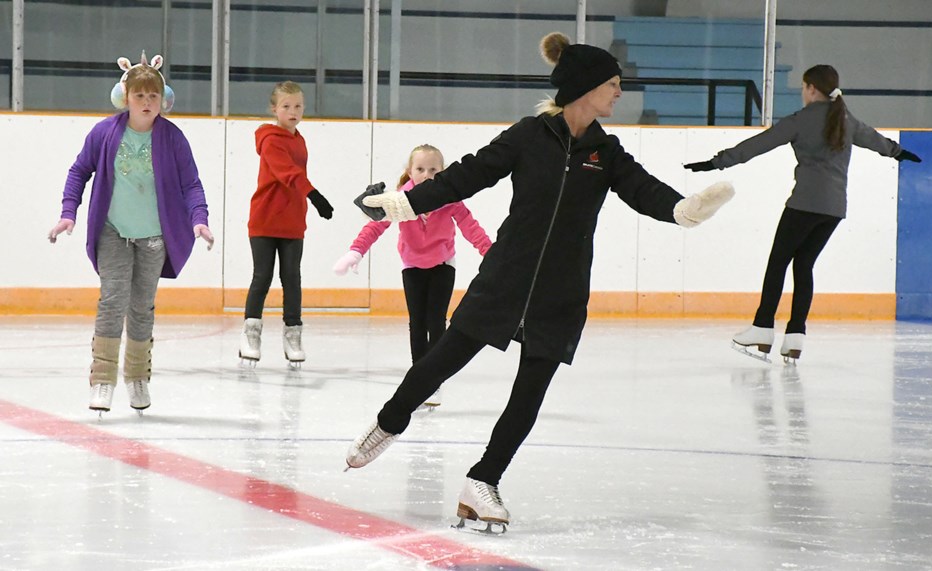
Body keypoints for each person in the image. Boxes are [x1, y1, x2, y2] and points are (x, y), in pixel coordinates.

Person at [343, 32, 734, 533]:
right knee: (438, 363)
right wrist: (402, 204)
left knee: (529, 394)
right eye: (613, 85)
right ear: (586, 87)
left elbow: (644, 191)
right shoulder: (529, 135)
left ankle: (483, 480)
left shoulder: (605, 151)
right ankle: (390, 420)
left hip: (561, 292)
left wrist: (684, 209)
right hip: (506, 276)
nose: (619, 93)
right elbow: (467, 175)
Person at [684, 64, 921, 363]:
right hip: (834, 209)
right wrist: (898, 152)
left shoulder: (801, 120)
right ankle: (795, 335)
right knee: (804, 265)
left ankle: (762, 327)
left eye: (803, 87)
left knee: (778, 263)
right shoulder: (844, 118)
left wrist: (717, 162)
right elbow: (873, 138)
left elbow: (759, 144)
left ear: (811, 88)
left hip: (804, 205)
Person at [48, 52, 215, 415]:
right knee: (112, 300)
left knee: (141, 307)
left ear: (162, 100)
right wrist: (68, 212)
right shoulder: (105, 132)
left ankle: (137, 377)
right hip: (112, 232)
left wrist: (198, 219)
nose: (146, 102)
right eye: (139, 96)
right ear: (126, 98)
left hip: (154, 237)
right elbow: (79, 172)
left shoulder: (173, 138)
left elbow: (191, 185)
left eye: (152, 96)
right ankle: (103, 379)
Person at [333, 144, 492, 406]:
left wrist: (490, 253)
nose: (426, 174)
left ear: (443, 172)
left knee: (436, 320)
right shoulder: (399, 200)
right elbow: (375, 227)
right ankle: (419, 380)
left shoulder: (449, 197)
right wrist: (355, 252)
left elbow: (470, 226)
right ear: (410, 172)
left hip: (443, 263)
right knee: (418, 322)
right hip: (412, 265)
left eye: (433, 169)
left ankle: (434, 379)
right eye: (420, 169)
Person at [239, 81, 334, 367]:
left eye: (298, 106)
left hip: (292, 219)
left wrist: (306, 201)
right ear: (274, 109)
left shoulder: (299, 139)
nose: (293, 112)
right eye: (286, 107)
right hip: (265, 218)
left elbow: (295, 174)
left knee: (292, 277)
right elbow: (287, 173)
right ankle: (251, 333)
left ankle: (293, 334)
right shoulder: (270, 139)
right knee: (263, 276)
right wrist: (314, 195)